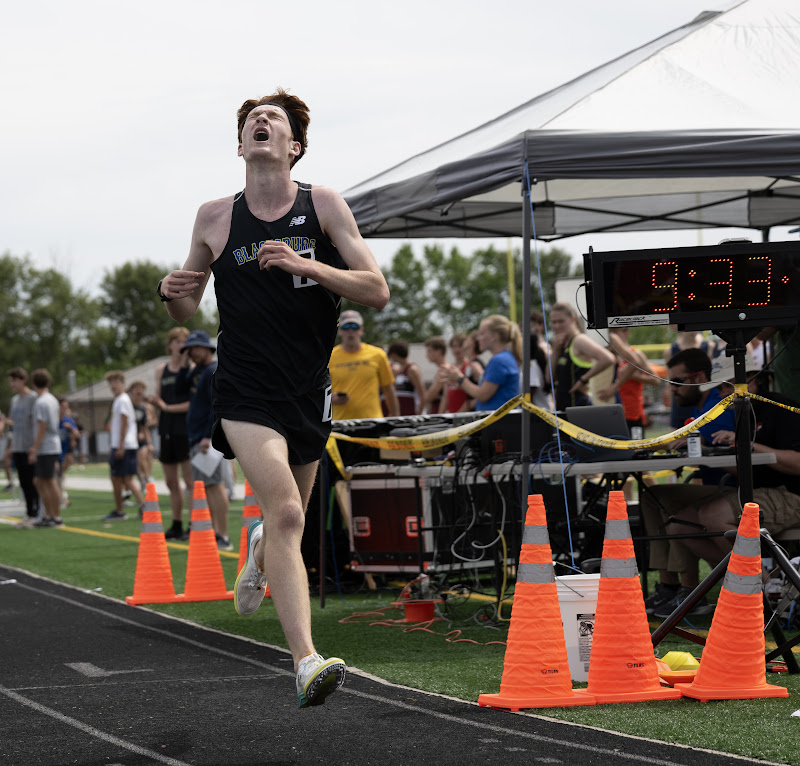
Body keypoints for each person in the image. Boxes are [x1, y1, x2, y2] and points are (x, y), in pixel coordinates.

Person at [157, 89, 390, 707]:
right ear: (241, 145)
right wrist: (172, 290)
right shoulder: (213, 217)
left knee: (292, 520)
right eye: (252, 121)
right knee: (286, 509)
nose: (261, 123)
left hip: (308, 388)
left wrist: (310, 267)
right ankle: (306, 662)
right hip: (244, 388)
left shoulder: (325, 204)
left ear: (294, 147)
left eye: (275, 121)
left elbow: (376, 290)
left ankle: (259, 547)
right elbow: (188, 303)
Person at [652, 355, 800, 618]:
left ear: (750, 383)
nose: (719, 395)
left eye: (724, 387)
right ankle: (753, 585)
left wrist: (748, 445)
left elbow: (797, 464)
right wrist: (710, 451)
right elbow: (746, 466)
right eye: (718, 388)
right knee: (679, 525)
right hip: (757, 493)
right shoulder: (743, 413)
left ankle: (763, 590)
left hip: (791, 495)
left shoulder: (780, 408)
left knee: (712, 515)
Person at [639, 347, 737, 616]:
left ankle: (687, 590)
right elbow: (685, 439)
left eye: (677, 382)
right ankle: (670, 587)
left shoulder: (718, 402)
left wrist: (641, 444)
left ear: (700, 377)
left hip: (731, 489)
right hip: (716, 486)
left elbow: (690, 439)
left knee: (665, 499)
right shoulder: (703, 405)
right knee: (652, 495)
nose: (673, 390)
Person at [174, 330, 232, 551]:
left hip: (206, 439)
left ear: (207, 349)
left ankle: (223, 535)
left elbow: (215, 406)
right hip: (197, 437)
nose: (191, 352)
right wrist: (182, 361)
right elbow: (179, 388)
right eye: (189, 349)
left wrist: (209, 435)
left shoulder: (211, 370)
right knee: (207, 487)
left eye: (195, 347)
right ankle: (216, 533)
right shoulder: (198, 370)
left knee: (215, 486)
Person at [149, 327, 194, 540]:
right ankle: (176, 523)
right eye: (175, 341)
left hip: (184, 428)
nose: (179, 345)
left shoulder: (191, 368)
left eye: (183, 341)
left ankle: (194, 523)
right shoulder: (161, 369)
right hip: (166, 428)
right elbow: (158, 397)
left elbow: (191, 403)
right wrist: (155, 403)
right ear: (169, 345)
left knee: (189, 481)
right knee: (171, 481)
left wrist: (166, 407)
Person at [440, 314, 521, 411]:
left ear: (494, 336)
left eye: (482, 334)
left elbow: (483, 395)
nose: (478, 338)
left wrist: (460, 379)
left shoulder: (499, 360)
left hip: (499, 423)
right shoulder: (503, 358)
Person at [329, 309, 398, 420]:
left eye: (355, 327)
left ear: (361, 330)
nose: (350, 331)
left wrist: (395, 418)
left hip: (372, 421)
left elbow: (389, 389)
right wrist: (331, 399)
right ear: (339, 331)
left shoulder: (377, 354)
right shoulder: (329, 356)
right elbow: (318, 391)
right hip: (340, 424)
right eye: (346, 327)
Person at [548, 302, 615, 411]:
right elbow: (548, 378)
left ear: (572, 319)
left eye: (561, 321)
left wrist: (583, 380)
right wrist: (555, 351)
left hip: (579, 407)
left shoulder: (579, 340)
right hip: (563, 407)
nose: (557, 326)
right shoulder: (561, 344)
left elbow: (608, 358)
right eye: (553, 322)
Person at [598, 327, 655, 436]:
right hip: (613, 412)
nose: (612, 336)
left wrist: (632, 376)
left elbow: (656, 380)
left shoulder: (635, 354)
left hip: (633, 413)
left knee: (636, 449)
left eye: (615, 332)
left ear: (626, 332)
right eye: (610, 332)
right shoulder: (607, 355)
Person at [103, 370, 144, 521]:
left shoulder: (122, 400)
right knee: (119, 478)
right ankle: (122, 509)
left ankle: (142, 506)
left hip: (124, 445)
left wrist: (120, 446)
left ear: (122, 383)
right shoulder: (119, 400)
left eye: (116, 382)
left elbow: (124, 422)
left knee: (125, 479)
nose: (113, 385)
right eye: (111, 383)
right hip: (123, 445)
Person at [27, 369, 63, 527]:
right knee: (40, 481)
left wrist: (35, 447)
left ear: (33, 383)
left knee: (48, 481)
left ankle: (54, 516)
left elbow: (42, 426)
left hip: (46, 446)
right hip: (51, 444)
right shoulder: (52, 399)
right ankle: (50, 515)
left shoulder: (41, 402)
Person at [7, 367, 39, 527]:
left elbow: (37, 424)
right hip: (18, 448)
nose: (11, 384)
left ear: (23, 380)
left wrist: (35, 447)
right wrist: (10, 447)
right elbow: (13, 424)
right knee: (24, 483)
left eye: (14, 380)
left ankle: (37, 512)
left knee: (34, 482)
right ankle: (29, 513)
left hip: (29, 447)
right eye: (10, 381)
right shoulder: (14, 400)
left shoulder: (33, 398)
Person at [441, 333, 482, 414]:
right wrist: (440, 414)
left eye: (459, 346)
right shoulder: (449, 368)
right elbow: (446, 396)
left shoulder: (470, 366)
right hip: (452, 413)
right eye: (454, 346)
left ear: (465, 346)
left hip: (466, 413)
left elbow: (480, 390)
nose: (456, 350)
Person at [128, 380, 156, 490]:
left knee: (143, 460)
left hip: (142, 439)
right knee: (136, 465)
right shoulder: (127, 405)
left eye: (141, 388)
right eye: (136, 388)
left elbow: (145, 426)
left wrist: (150, 443)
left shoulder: (143, 408)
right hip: (130, 440)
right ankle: (142, 482)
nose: (139, 391)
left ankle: (148, 478)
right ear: (131, 391)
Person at [386, 340, 425, 416]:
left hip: (411, 414)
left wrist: (419, 415)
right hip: (401, 416)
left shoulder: (412, 369)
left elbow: (422, 395)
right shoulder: (398, 370)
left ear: (395, 354)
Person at [57, 397, 79, 509]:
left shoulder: (68, 420)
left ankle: (61, 497)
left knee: (60, 475)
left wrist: (71, 429)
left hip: (64, 452)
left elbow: (77, 435)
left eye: (66, 406)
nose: (65, 409)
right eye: (63, 406)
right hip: (54, 453)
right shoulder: (52, 420)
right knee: (56, 476)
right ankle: (61, 498)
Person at [421, 336, 448, 414]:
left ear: (439, 351)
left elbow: (428, 397)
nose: (427, 355)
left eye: (429, 351)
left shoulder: (444, 370)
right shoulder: (441, 370)